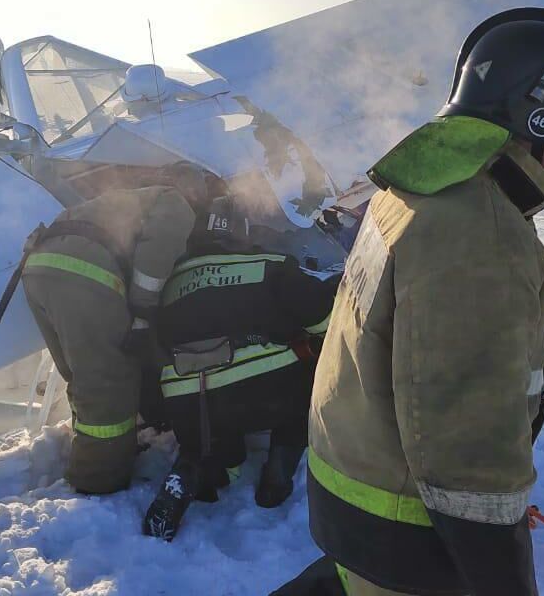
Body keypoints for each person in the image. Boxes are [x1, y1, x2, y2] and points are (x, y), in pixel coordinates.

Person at [274, 8, 544, 596]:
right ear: (539, 111)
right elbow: (469, 450)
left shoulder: (415, 190)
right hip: (410, 534)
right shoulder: (479, 230)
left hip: (355, 493)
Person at [142, 196, 340, 541]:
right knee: (309, 377)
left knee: (217, 447)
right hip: (265, 391)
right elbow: (324, 317)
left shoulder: (170, 285)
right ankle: (275, 481)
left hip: (190, 402)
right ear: (243, 233)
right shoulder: (268, 264)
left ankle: (195, 468)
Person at [20, 162, 208, 494]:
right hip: (85, 274)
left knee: (82, 374)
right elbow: (158, 255)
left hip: (37, 268)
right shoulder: (174, 202)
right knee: (108, 383)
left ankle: (93, 446)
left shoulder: (119, 201)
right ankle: (96, 481)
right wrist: (142, 311)